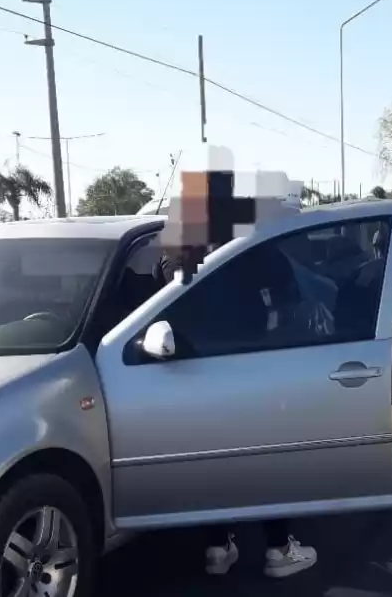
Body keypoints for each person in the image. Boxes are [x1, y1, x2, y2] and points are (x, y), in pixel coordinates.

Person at [153, 245, 319, 578]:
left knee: (209, 465)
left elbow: (157, 309)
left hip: (190, 377)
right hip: (251, 371)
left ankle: (217, 547)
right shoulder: (255, 248)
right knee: (264, 462)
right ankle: (280, 549)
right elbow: (292, 305)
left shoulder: (173, 254)